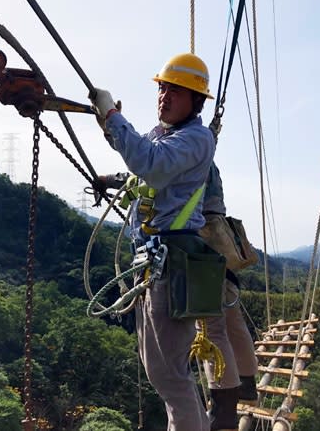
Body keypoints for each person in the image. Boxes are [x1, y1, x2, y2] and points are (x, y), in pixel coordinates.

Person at [89, 53, 221, 431]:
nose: (164, 97)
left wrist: (113, 118)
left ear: (196, 101)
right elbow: (141, 168)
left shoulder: (197, 138)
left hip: (173, 261)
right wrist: (111, 172)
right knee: (161, 373)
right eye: (163, 89)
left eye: (175, 92)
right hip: (152, 262)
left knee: (171, 376)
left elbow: (151, 164)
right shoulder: (163, 134)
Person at [198, 161, 259, 430]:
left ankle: (223, 411)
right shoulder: (206, 158)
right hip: (222, 243)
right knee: (232, 322)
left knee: (212, 330)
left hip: (201, 243)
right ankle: (247, 383)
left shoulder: (187, 150)